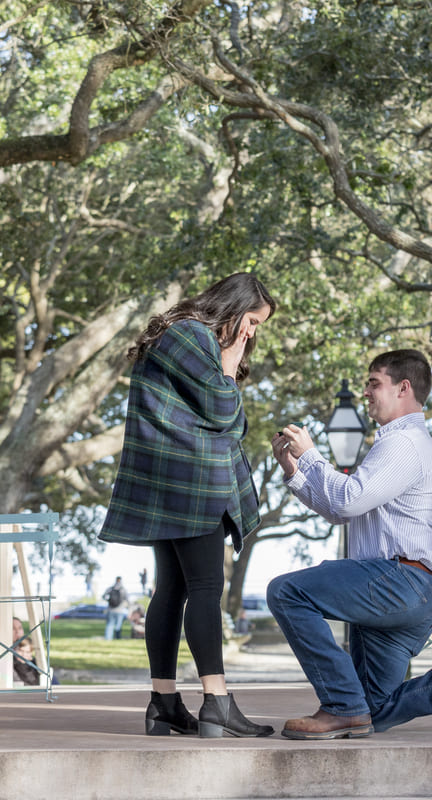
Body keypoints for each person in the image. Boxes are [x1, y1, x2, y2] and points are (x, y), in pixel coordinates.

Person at [268, 349, 432, 740]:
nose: (366, 392)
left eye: (374, 383)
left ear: (404, 387)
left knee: (286, 592)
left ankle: (339, 707)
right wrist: (295, 473)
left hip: (398, 583)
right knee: (374, 710)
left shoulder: (404, 443)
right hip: (404, 592)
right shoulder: (398, 446)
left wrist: (313, 457)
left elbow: (347, 498)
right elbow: (343, 512)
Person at [98, 272, 277, 738]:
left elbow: (223, 416)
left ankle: (164, 703)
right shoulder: (191, 334)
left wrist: (229, 375)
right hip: (192, 480)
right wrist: (233, 360)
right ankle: (216, 701)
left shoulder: (181, 337)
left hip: (170, 483)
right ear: (234, 308)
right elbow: (224, 412)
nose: (252, 332)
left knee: (172, 589)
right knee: (204, 588)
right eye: (253, 321)